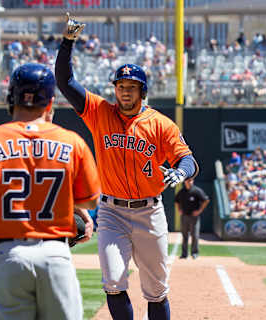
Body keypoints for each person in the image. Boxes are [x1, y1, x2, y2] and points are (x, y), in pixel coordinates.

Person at [56, 13, 199, 320]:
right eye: (120, 85)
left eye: (131, 86)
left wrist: (180, 171)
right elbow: (65, 82)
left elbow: (187, 159)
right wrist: (68, 42)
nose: (124, 90)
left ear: (142, 91)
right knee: (113, 281)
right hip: (111, 212)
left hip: (149, 212)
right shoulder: (99, 111)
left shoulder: (160, 124)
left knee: (156, 289)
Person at [0, 62, 101, 320]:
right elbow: (91, 200)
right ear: (50, 103)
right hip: (56, 255)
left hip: (7, 256)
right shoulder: (73, 142)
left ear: (10, 98)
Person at [174, 178, 210, 259]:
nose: (189, 182)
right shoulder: (182, 191)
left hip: (194, 217)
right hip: (184, 216)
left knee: (195, 235)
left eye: (191, 180)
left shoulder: (197, 191)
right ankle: (184, 254)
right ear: (185, 182)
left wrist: (199, 210)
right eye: (188, 180)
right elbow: (176, 201)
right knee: (184, 235)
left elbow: (206, 200)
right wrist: (179, 209)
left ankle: (195, 253)